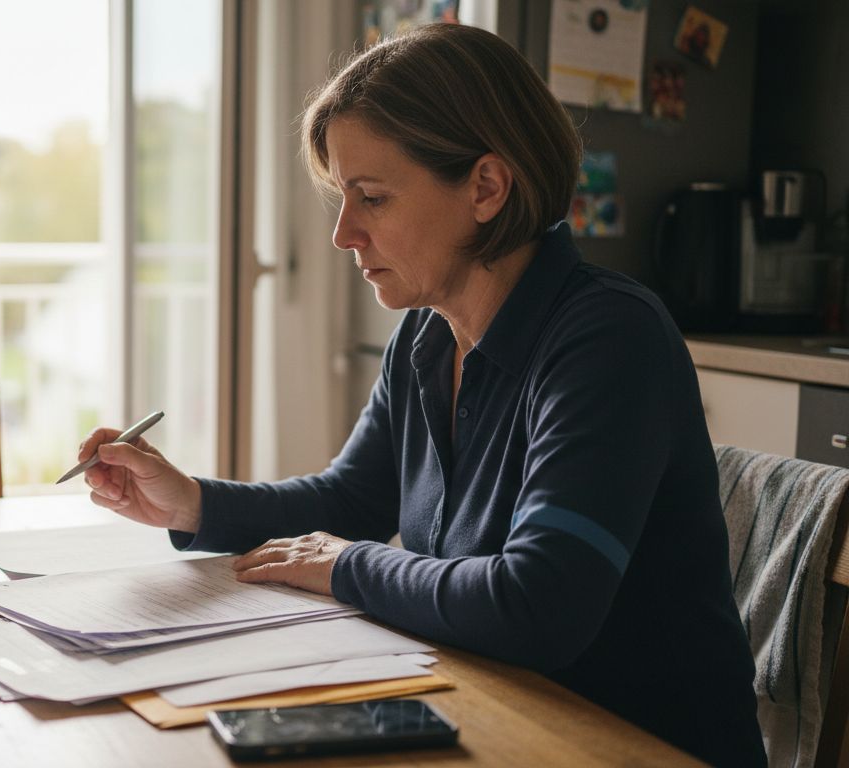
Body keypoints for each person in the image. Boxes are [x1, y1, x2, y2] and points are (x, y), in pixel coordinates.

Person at [78, 23, 764, 767]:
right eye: (344, 197)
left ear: (486, 187)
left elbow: (539, 607)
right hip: (491, 710)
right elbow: (350, 503)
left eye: (371, 197)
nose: (344, 234)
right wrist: (191, 504)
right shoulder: (428, 335)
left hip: (626, 745)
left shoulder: (609, 338)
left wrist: (346, 566)